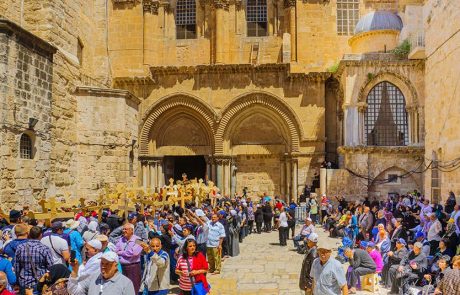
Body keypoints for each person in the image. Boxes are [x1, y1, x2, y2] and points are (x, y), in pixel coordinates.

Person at [68, 251, 135, 295]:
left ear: (115, 266)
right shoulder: (94, 278)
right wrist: (74, 270)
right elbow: (74, 291)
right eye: (102, 263)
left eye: (107, 264)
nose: (103, 267)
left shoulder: (126, 283)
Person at [15, 226, 54, 294]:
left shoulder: (20, 247)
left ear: (29, 234)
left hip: (24, 282)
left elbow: (17, 267)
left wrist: (18, 280)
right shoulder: (44, 249)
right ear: (40, 235)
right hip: (39, 281)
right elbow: (51, 267)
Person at [115, 223, 143, 292]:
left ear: (132, 230)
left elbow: (134, 253)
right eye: (123, 229)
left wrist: (120, 252)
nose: (124, 231)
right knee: (124, 287)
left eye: (126, 229)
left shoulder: (139, 240)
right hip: (122, 267)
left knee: (134, 287)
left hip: (133, 267)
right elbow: (115, 250)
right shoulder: (121, 239)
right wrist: (126, 253)